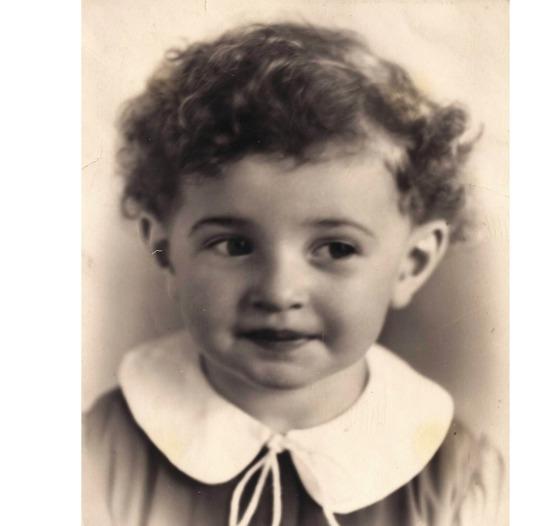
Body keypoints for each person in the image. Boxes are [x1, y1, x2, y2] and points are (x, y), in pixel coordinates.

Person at [83, 21, 504, 526]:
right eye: (235, 245)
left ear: (411, 264)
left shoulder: (459, 479)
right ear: (164, 251)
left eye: (336, 248)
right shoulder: (98, 456)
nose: (279, 292)